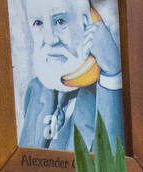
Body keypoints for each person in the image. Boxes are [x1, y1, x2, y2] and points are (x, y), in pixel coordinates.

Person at [16, 0, 123, 151]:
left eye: (60, 21)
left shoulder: (107, 92)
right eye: (38, 23)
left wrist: (112, 72)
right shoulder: (35, 89)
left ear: (87, 22)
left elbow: (112, 166)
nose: (50, 39)